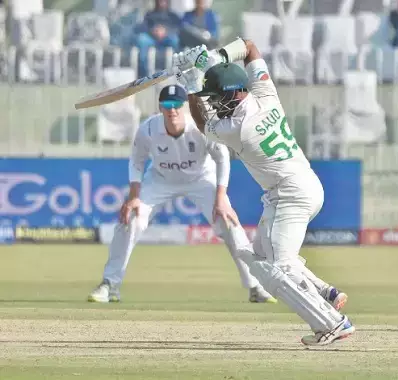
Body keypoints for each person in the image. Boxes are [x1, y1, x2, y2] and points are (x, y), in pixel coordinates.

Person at [171, 38, 353, 346]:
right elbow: (251, 46)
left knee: (275, 269)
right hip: (298, 185)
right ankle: (326, 293)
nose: (214, 104)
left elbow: (204, 124)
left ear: (231, 93)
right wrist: (217, 57)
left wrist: (190, 87)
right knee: (259, 256)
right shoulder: (266, 93)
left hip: (290, 194)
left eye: (216, 98)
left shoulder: (238, 129)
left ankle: (333, 324)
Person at [88, 84, 276, 305]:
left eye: (177, 104)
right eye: (167, 105)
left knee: (229, 222)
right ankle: (110, 285)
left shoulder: (200, 127)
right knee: (130, 219)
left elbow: (222, 157)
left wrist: (221, 197)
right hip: (160, 179)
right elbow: (137, 161)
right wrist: (134, 196)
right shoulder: (148, 129)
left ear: (185, 106)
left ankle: (255, 287)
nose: (172, 110)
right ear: (160, 107)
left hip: (201, 179)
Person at [135, 0, 181, 77]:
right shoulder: (149, 14)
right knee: (141, 39)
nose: (162, 2)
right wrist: (153, 30)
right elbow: (143, 27)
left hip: (167, 38)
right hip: (152, 38)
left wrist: (166, 31)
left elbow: (178, 28)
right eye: (160, 1)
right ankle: (143, 77)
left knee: (176, 40)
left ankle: (176, 71)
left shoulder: (173, 15)